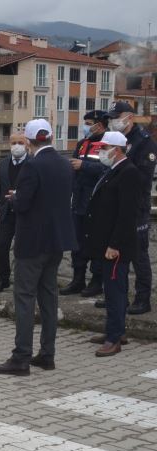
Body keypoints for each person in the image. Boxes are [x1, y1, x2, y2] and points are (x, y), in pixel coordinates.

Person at [0, 120, 76, 376]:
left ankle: (21, 358)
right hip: (56, 241)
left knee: (25, 297)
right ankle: (47, 354)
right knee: (49, 296)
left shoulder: (32, 165)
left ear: (28, 141)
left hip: (32, 243)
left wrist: (14, 198)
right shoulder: (64, 163)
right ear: (50, 136)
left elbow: (24, 204)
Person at [84, 132, 140, 357]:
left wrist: (115, 244)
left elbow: (127, 214)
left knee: (115, 291)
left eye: (103, 147)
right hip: (105, 242)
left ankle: (114, 338)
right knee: (113, 290)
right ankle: (115, 330)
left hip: (116, 246)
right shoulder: (114, 170)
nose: (99, 151)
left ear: (116, 149)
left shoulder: (129, 173)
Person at [105, 101, 157, 315]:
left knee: (138, 255)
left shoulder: (144, 142)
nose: (114, 121)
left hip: (136, 207)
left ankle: (142, 299)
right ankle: (119, 298)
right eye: (112, 117)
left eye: (118, 116)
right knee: (119, 256)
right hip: (116, 206)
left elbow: (144, 179)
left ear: (130, 117)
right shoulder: (117, 140)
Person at [60, 110, 108, 297]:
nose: (85, 126)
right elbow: (73, 167)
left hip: (96, 203)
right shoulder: (82, 144)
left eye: (89, 123)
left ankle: (96, 282)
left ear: (99, 125)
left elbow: (108, 169)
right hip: (78, 202)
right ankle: (78, 280)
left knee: (96, 244)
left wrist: (84, 166)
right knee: (77, 244)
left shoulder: (107, 144)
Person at [0, 132, 28, 293]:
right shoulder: (3, 164)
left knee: (23, 248)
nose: (16, 146)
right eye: (13, 143)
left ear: (26, 144)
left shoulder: (32, 163)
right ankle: (3, 278)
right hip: (5, 213)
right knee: (1, 246)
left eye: (20, 142)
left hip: (24, 213)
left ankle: (23, 280)